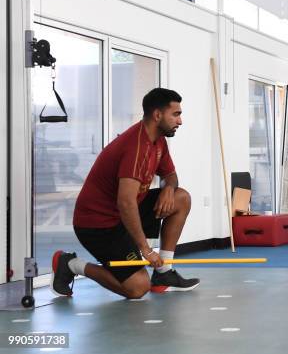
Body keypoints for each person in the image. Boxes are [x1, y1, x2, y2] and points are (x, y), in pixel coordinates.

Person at [51, 88, 199, 298]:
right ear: (157, 115)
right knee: (138, 287)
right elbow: (126, 203)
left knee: (181, 198)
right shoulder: (135, 148)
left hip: (124, 212)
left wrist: (168, 187)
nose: (180, 121)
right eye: (176, 114)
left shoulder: (157, 140)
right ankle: (71, 264)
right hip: (98, 225)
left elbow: (171, 175)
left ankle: (164, 273)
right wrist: (146, 250)